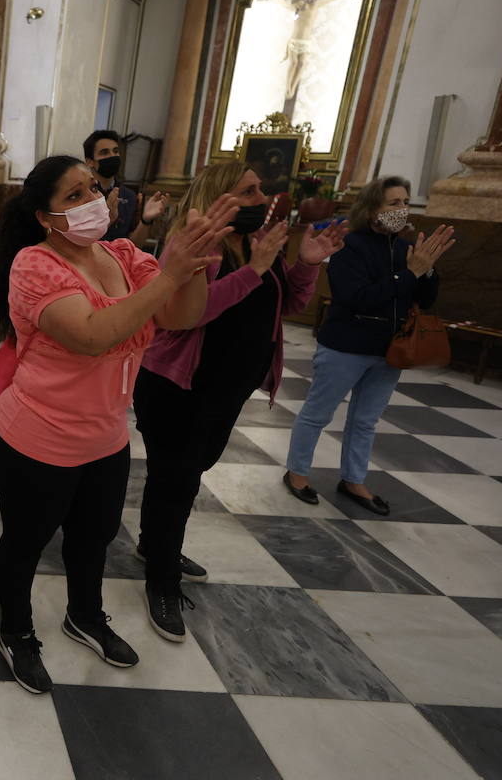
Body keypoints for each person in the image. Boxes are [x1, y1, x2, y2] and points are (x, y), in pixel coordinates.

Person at [0, 155, 235, 693]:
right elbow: (93, 334)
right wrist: (167, 272)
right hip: (37, 437)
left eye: (93, 188)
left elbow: (180, 316)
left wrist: (192, 265)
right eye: (73, 195)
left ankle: (85, 616)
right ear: (45, 217)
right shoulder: (35, 264)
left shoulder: (122, 253)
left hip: (106, 436)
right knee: (25, 542)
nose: (92, 200)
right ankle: (16, 632)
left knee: (93, 539)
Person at [134, 160, 346, 643]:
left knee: (183, 475)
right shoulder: (193, 247)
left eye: (258, 191)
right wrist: (253, 270)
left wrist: (305, 265)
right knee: (177, 480)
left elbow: (284, 304)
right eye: (248, 192)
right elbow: (188, 315)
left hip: (225, 390)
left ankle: (153, 546)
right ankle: (161, 583)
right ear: (218, 197)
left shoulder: (254, 244)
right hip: (178, 389)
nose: (260, 199)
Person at [285, 177, 454, 514]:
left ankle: (353, 479)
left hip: (389, 350)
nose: (402, 209)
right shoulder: (351, 246)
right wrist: (410, 274)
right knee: (318, 414)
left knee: (365, 421)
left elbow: (426, 298)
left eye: (406, 201)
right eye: (393, 202)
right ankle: (298, 473)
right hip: (346, 346)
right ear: (372, 207)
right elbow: (356, 298)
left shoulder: (407, 249)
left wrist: (428, 270)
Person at [83, 130, 168, 245]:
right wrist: (106, 219)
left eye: (116, 151)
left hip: (118, 260)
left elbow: (133, 244)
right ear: (90, 162)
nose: (112, 156)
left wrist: (146, 220)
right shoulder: (82, 194)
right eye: (104, 153)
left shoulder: (129, 196)